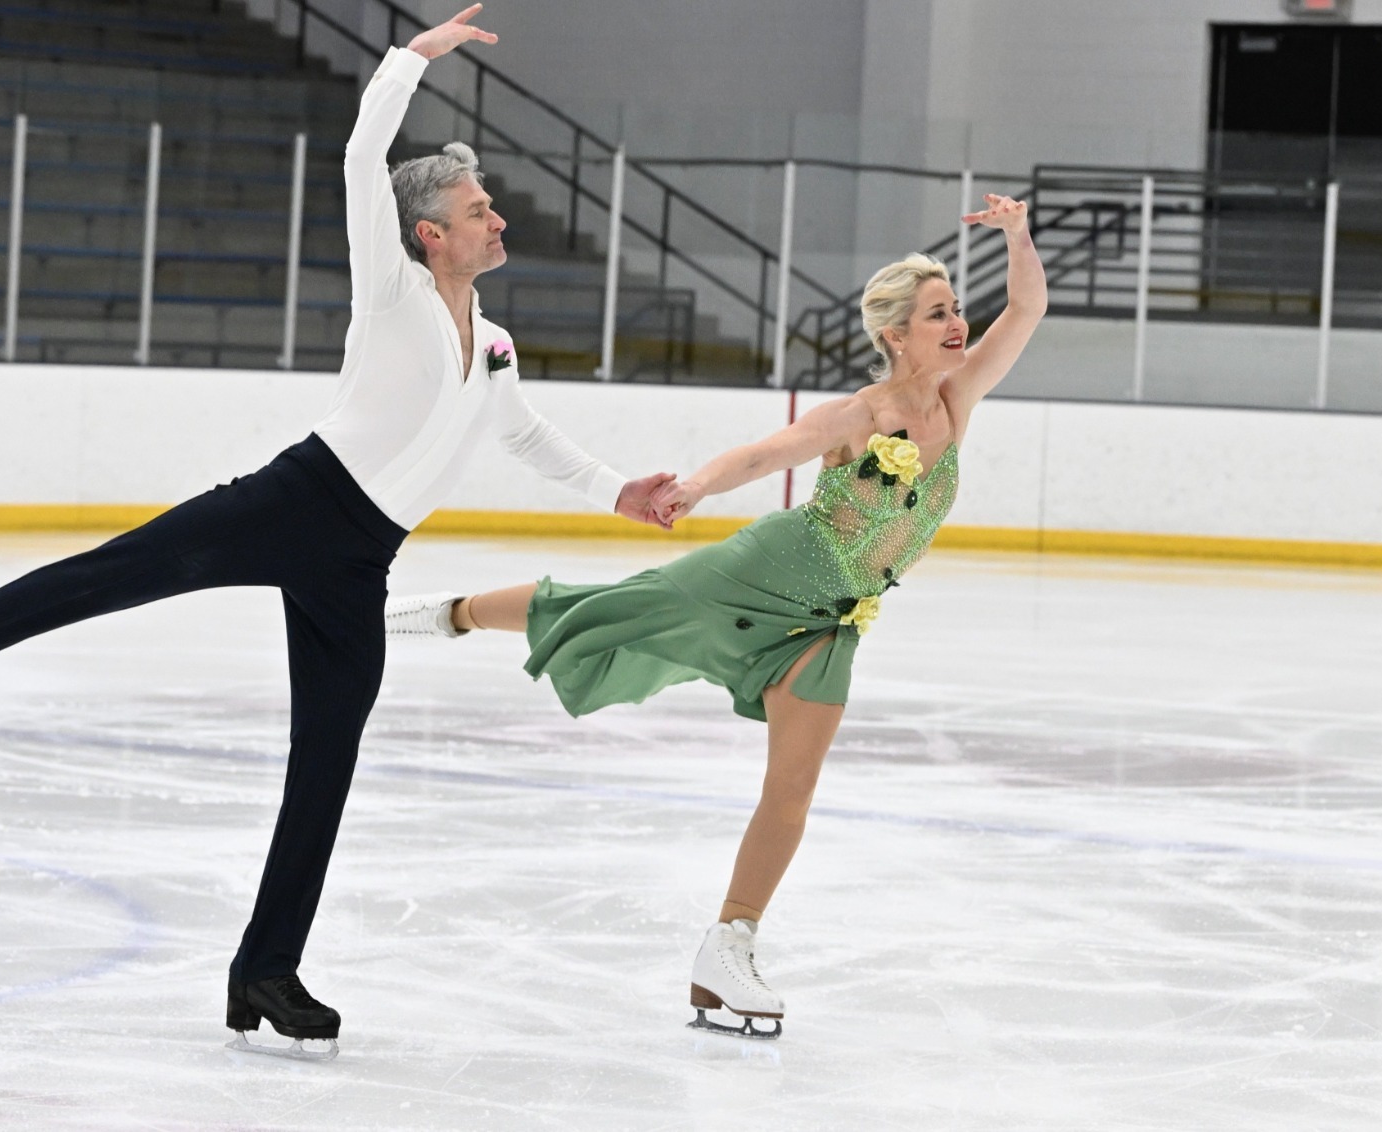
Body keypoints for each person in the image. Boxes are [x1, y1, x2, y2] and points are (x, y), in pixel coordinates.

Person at [0, 3, 674, 1060]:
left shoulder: (492, 345)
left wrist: (618, 490)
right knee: (97, 579)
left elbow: (527, 435)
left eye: (491, 205)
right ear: (429, 233)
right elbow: (364, 151)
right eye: (478, 207)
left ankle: (266, 967)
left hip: (359, 560)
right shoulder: (392, 292)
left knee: (329, 756)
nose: (498, 220)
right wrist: (411, 59)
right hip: (290, 503)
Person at [385, 200, 1047, 1037]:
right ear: (895, 334)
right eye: (939, 314)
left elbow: (1026, 310)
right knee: (610, 611)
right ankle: (452, 614)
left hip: (830, 620)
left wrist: (1017, 239)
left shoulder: (960, 400)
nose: (958, 325)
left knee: (793, 789)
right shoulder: (859, 415)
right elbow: (768, 454)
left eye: (956, 310)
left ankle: (728, 947)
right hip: (762, 576)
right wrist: (696, 487)